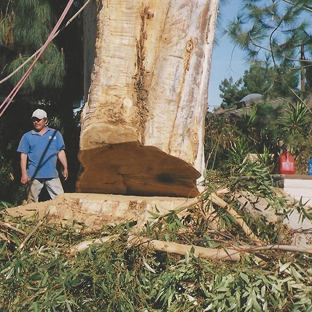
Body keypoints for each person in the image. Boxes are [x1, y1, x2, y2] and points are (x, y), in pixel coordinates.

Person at [17, 109, 68, 203]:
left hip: (52, 173)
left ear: (46, 120)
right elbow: (23, 156)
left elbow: (60, 151)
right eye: (34, 120)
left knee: (61, 200)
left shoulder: (55, 134)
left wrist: (65, 167)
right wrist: (24, 173)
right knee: (31, 202)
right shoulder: (27, 136)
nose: (36, 122)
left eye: (38, 119)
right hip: (33, 174)